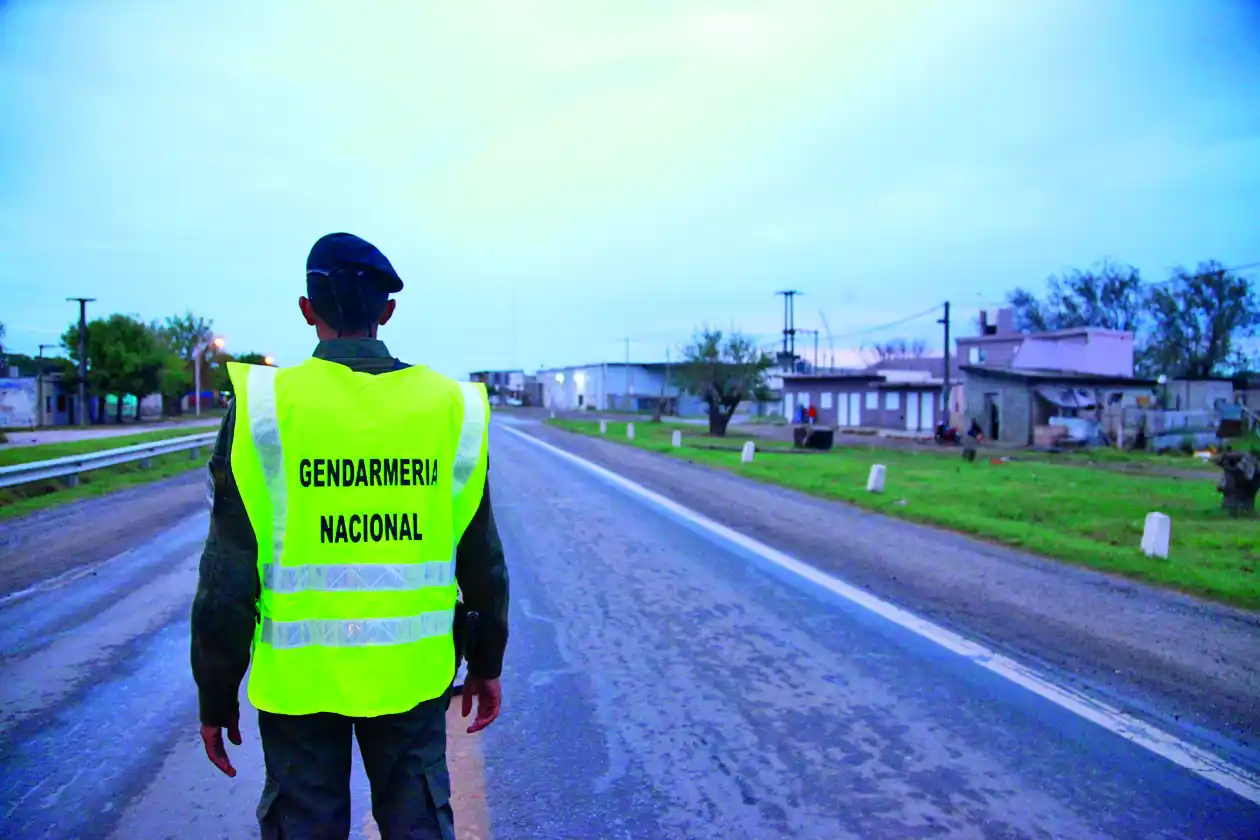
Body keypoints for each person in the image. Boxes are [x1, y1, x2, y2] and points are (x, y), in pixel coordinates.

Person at [190, 232, 510, 840]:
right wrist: (486, 661)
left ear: (307, 310)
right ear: (387, 311)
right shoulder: (452, 406)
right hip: (411, 677)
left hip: (299, 683)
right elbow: (481, 557)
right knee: (418, 823)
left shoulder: (265, 407)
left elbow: (226, 572)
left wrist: (216, 691)